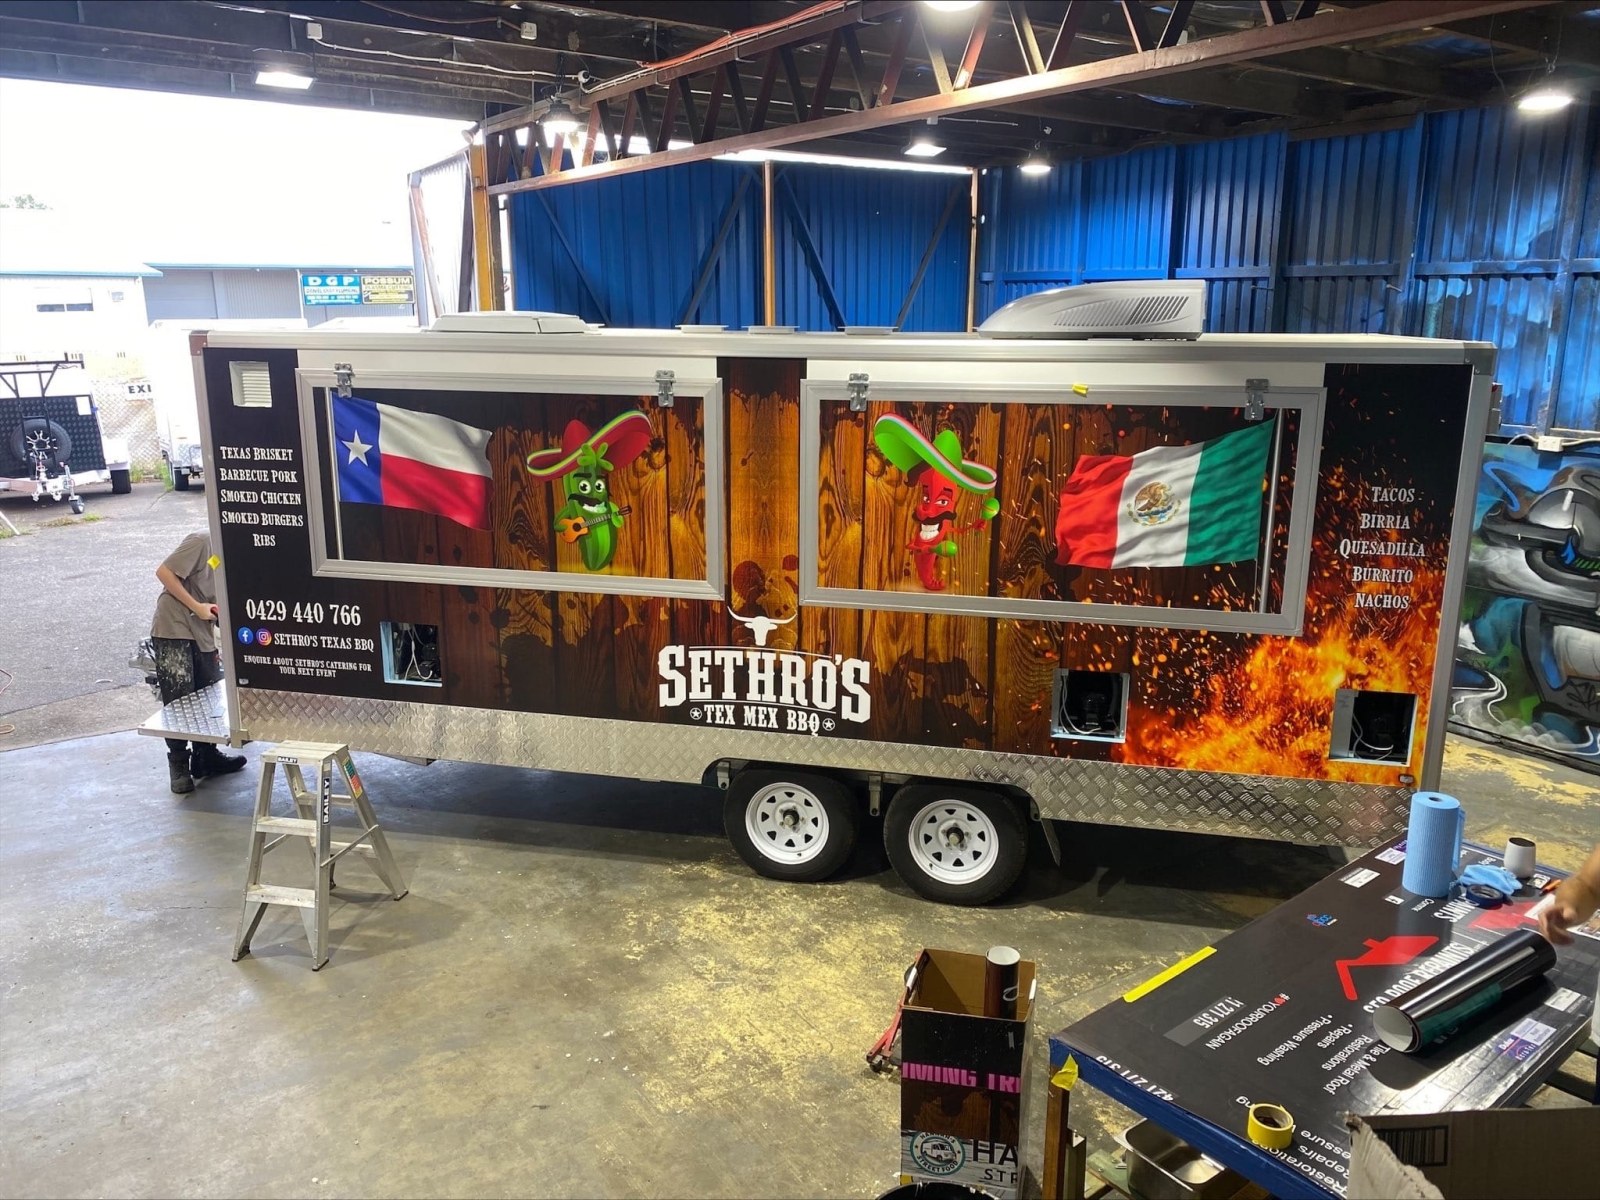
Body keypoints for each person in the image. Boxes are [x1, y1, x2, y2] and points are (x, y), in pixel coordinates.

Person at [151, 531, 245, 794]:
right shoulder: (203, 541)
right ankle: (178, 763)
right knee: (179, 698)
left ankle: (206, 757)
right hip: (174, 626)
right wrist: (197, 606)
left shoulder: (239, 551)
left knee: (208, 693)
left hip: (203, 629)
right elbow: (164, 573)